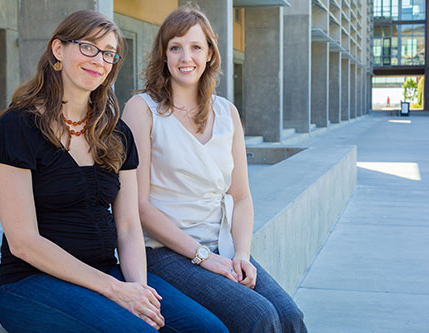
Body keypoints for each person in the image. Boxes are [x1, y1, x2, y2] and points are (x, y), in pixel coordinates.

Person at [0, 10, 228, 332]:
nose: (99, 59)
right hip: (30, 283)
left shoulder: (115, 133)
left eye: (109, 53)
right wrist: (115, 290)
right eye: (88, 47)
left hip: (105, 272)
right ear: (58, 50)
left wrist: (138, 290)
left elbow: (128, 227)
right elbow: (23, 242)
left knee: (209, 329)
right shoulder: (16, 127)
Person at [122, 5, 307, 333]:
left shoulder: (227, 113)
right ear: (163, 55)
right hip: (165, 251)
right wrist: (203, 257)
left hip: (223, 246)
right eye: (175, 47)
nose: (185, 57)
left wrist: (243, 254)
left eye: (195, 47)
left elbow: (241, 197)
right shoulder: (142, 109)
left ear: (210, 53)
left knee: (290, 315)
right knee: (258, 316)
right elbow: (139, 206)